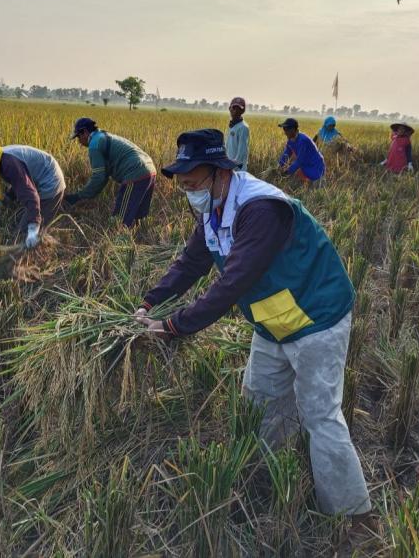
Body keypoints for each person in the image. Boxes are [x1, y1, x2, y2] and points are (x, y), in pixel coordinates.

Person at [134, 128, 373, 536]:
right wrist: (149, 303)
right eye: (185, 187)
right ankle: (275, 476)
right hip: (272, 318)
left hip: (316, 314)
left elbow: (232, 283)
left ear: (219, 172)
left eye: (193, 184)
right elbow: (192, 262)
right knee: (260, 403)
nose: (189, 193)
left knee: (320, 414)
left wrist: (172, 327)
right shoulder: (212, 209)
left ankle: (352, 515)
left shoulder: (261, 208)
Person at [0, 132, 65, 248]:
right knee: (22, 233)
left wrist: (33, 230)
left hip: (50, 181)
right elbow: (18, 185)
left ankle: (44, 249)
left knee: (23, 236)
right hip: (37, 180)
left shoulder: (8, 163)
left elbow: (30, 195)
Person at [64, 117, 156, 228]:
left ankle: (116, 243)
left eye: (78, 136)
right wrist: (85, 196)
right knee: (138, 217)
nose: (79, 141)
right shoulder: (104, 136)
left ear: (85, 132)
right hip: (150, 169)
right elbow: (103, 177)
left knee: (119, 219)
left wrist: (78, 197)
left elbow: (98, 178)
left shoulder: (94, 144)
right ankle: (138, 240)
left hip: (135, 172)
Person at [277, 118, 325, 184]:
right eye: (284, 129)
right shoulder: (291, 141)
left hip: (315, 167)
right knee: (297, 181)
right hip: (306, 165)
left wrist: (287, 172)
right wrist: (279, 166)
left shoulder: (303, 141)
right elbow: (286, 154)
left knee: (308, 186)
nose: (285, 132)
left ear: (293, 129)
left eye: (286, 129)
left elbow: (300, 160)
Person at [226, 97, 250, 170]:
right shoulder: (231, 125)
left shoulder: (243, 127)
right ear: (229, 108)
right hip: (230, 165)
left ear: (242, 111)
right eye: (234, 108)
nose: (236, 111)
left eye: (239, 109)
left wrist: (234, 165)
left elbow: (242, 151)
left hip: (238, 168)